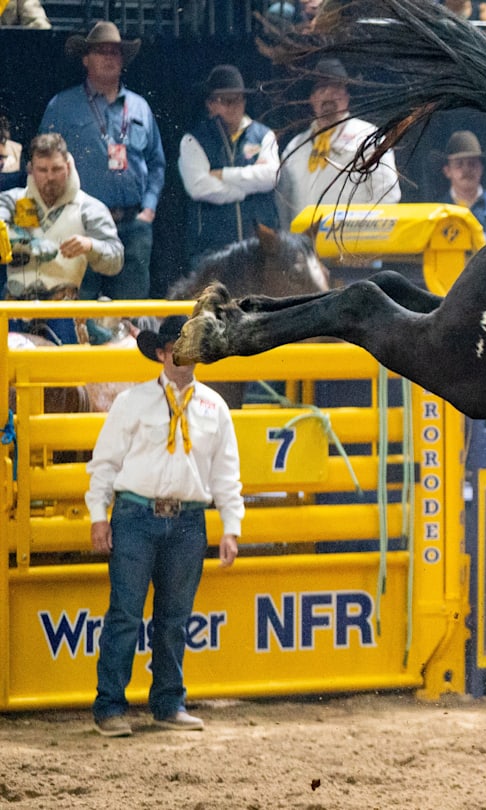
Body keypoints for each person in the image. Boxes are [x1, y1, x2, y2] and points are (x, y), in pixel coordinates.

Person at [85, 315, 243, 737]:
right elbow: (104, 465)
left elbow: (226, 473)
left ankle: (168, 702)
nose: (185, 355)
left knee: (174, 617)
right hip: (136, 514)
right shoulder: (131, 403)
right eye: (178, 346)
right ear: (162, 352)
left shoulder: (214, 407)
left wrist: (231, 525)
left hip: (189, 519)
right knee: (125, 613)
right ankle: (110, 706)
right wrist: (99, 516)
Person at [40, 21, 165, 301]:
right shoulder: (61, 106)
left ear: (122, 60)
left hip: (133, 225)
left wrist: (149, 209)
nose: (109, 57)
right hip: (81, 225)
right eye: (100, 51)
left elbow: (157, 163)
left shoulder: (140, 107)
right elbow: (41, 164)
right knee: (80, 310)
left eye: (114, 52)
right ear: (85, 59)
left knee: (131, 312)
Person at [0, 133, 123, 344]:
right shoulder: (13, 200)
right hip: (14, 309)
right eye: (42, 170)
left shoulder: (88, 208)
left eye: (56, 169)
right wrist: (20, 239)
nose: (50, 176)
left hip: (63, 312)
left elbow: (116, 258)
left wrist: (91, 245)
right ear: (31, 169)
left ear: (68, 166)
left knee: (65, 374)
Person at [276, 58, 400, 230]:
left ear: (347, 97)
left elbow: (387, 195)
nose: (328, 94)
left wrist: (368, 241)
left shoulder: (368, 137)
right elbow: (284, 206)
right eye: (321, 89)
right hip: (307, 249)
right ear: (312, 99)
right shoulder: (295, 148)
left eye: (336, 88)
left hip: (353, 246)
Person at [178, 65, 281, 267]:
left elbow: (271, 176)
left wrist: (223, 175)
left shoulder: (264, 135)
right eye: (226, 100)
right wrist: (247, 188)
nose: (233, 106)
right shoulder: (193, 139)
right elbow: (199, 187)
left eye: (238, 99)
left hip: (259, 246)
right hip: (212, 249)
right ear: (210, 104)